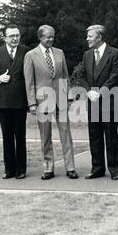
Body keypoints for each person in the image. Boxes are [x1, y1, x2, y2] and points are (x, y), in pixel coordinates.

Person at [24, 25, 78, 180]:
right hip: (42, 101)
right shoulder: (31, 55)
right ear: (40, 37)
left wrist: (68, 96)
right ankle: (48, 168)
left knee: (66, 133)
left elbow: (66, 76)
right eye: (48, 37)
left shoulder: (59, 53)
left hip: (60, 98)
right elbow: (29, 82)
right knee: (45, 135)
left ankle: (70, 167)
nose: (51, 39)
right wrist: (32, 103)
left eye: (53, 37)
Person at [76, 25, 118, 180]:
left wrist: (100, 92)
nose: (87, 38)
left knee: (111, 136)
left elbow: (114, 76)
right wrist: (89, 91)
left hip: (108, 100)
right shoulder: (87, 55)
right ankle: (97, 168)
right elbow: (81, 76)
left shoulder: (114, 53)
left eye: (90, 36)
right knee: (94, 136)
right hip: (92, 100)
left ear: (99, 37)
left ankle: (114, 169)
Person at [0, 24, 29, 179]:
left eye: (17, 35)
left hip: (20, 100)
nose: (15, 39)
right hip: (3, 102)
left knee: (20, 135)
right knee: (7, 136)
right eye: (11, 36)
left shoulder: (26, 51)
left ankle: (21, 169)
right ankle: (9, 169)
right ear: (5, 37)